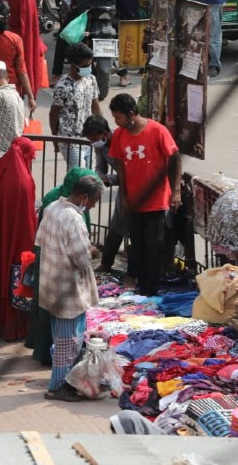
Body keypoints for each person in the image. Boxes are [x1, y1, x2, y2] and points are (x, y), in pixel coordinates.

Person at [38, 174, 104, 402]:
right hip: (68, 289)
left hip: (51, 283)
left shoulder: (52, 207)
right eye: (94, 201)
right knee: (69, 343)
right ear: (84, 197)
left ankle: (63, 383)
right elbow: (81, 259)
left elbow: (40, 240)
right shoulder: (73, 219)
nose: (93, 206)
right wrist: (93, 251)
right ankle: (58, 387)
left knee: (62, 339)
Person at [109, 93, 181, 296]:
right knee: (137, 244)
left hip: (156, 199)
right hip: (133, 199)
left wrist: (175, 192)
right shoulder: (119, 135)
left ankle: (151, 288)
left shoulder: (157, 131)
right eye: (115, 117)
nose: (116, 121)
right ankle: (140, 284)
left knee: (154, 245)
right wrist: (123, 195)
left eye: (119, 117)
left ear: (131, 114)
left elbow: (174, 158)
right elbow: (120, 166)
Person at [0, 137, 38, 341]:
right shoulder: (24, 181)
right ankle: (14, 330)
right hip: (15, 242)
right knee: (13, 282)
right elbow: (27, 221)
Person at [82, 115, 128, 274]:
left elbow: (128, 174)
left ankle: (134, 270)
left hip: (135, 186)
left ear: (104, 133)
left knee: (135, 231)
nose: (92, 141)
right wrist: (98, 177)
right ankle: (107, 263)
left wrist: (108, 179)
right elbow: (100, 167)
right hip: (122, 188)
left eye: (94, 138)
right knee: (116, 227)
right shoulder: (99, 145)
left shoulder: (121, 141)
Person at [50, 42, 101, 169]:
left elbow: (95, 106)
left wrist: (102, 129)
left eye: (90, 64)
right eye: (85, 65)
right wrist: (55, 139)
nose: (89, 68)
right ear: (74, 66)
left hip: (89, 137)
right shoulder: (63, 86)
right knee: (79, 178)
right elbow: (54, 114)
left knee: (89, 175)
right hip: (70, 140)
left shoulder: (91, 80)